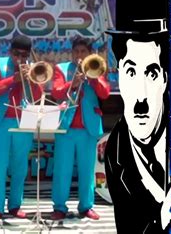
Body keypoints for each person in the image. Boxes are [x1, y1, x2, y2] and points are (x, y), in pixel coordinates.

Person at [104, 0, 171, 232]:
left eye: (151, 73)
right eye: (130, 71)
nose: (140, 98)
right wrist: (160, 221)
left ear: (166, 76)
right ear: (118, 74)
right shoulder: (117, 149)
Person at [0, 35, 43, 222]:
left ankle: (15, 205)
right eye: (16, 54)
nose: (20, 59)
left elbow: (38, 96)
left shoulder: (33, 68)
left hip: (24, 121)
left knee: (20, 166)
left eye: (24, 55)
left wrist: (31, 79)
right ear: (10, 52)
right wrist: (13, 79)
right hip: (0, 122)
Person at [50, 37, 110, 221]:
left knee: (86, 170)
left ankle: (86, 207)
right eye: (76, 51)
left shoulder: (96, 67)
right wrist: (73, 83)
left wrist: (92, 79)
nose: (79, 55)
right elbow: (56, 92)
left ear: (89, 53)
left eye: (83, 52)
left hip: (88, 128)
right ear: (72, 53)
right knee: (62, 170)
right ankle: (59, 207)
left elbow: (105, 93)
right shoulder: (61, 68)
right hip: (65, 128)